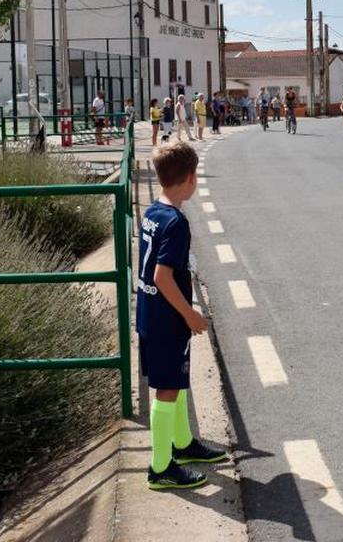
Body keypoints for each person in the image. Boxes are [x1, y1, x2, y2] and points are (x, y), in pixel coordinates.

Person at [138, 141, 228, 489]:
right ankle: (161, 467)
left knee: (175, 381)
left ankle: (183, 442)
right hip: (167, 318)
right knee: (166, 390)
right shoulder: (176, 223)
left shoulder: (153, 212)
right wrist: (189, 314)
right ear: (190, 179)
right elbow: (162, 276)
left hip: (151, 313)